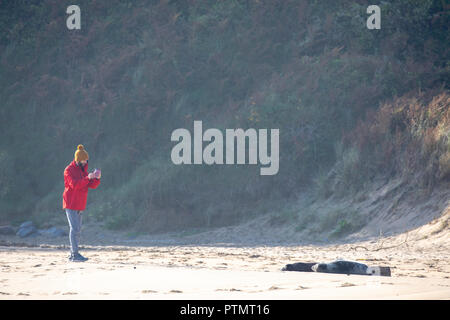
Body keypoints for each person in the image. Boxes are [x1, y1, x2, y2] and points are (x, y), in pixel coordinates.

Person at [63, 144, 101, 262]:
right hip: (70, 203)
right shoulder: (68, 170)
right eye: (84, 160)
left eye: (86, 160)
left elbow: (91, 185)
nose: (85, 162)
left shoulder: (83, 170)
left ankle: (73, 254)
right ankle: (74, 254)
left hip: (80, 204)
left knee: (77, 229)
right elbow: (74, 185)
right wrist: (87, 178)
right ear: (78, 160)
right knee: (74, 229)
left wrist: (96, 178)